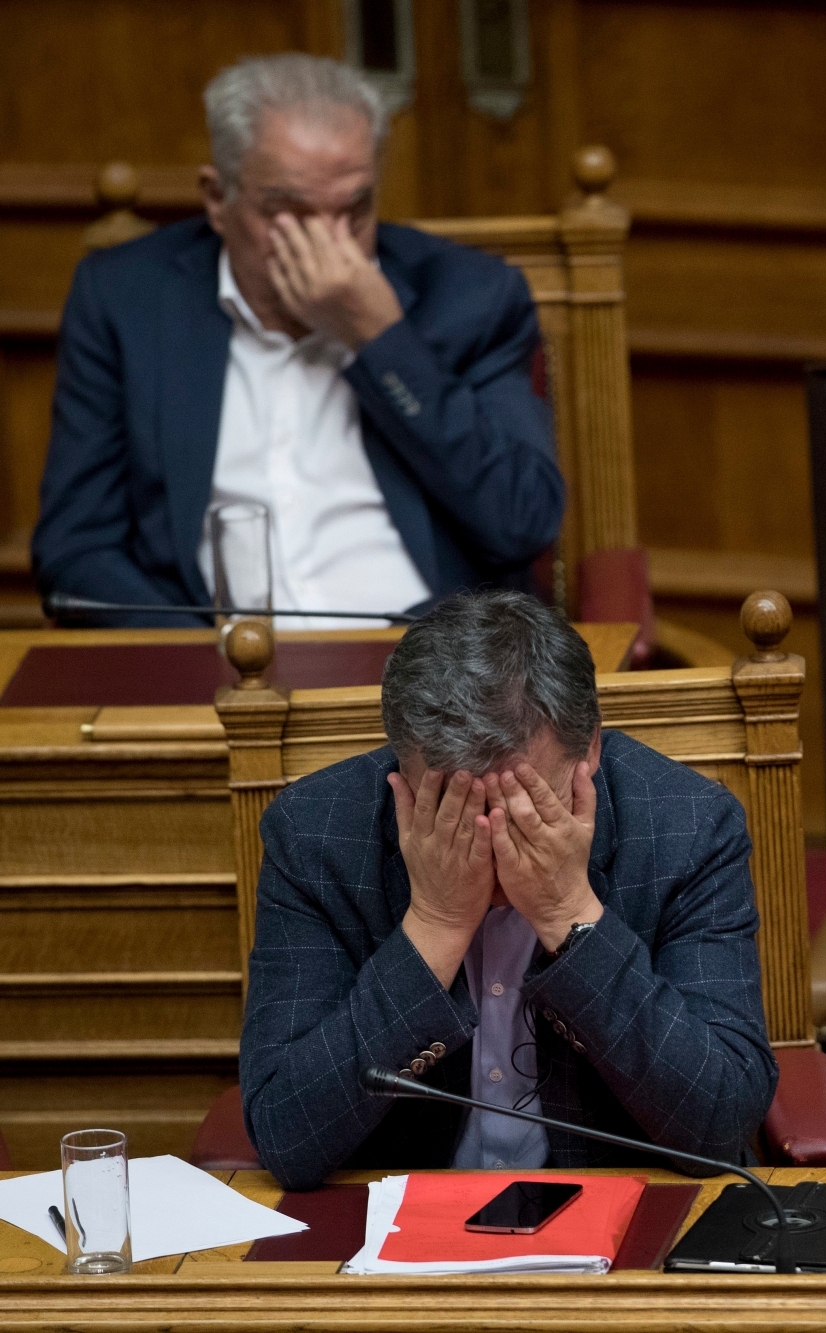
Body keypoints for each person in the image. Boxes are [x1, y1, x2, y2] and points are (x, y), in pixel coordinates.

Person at [239, 591, 775, 1189]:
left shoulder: (689, 829)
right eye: (451, 808)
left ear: (591, 749)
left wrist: (568, 913)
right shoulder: (316, 835)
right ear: (402, 763)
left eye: (523, 809)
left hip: (621, 1222)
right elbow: (286, 1137)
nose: (490, 843)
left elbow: (723, 1123)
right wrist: (436, 924)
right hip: (397, 1235)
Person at [32, 54, 563, 628]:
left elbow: (521, 521)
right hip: (212, 672)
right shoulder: (125, 298)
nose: (332, 247)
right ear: (218, 199)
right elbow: (76, 551)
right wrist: (199, 664)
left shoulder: (473, 298)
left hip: (425, 674)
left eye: (355, 211)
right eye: (289, 213)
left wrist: (383, 342)